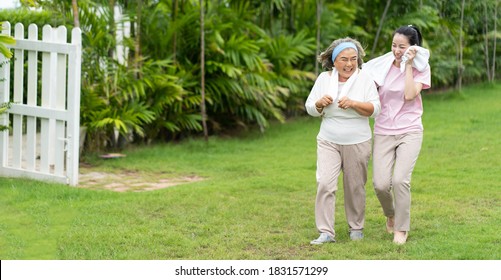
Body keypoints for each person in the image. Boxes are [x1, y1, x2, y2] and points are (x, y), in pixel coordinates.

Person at [305, 38, 381, 244]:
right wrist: (320, 104)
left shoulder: (364, 79)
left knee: (355, 186)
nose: (349, 64)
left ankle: (356, 228)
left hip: (357, 141)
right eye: (344, 59)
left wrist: (355, 104)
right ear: (333, 61)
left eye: (353, 59)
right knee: (325, 184)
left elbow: (375, 109)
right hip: (328, 139)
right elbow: (310, 107)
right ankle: (326, 232)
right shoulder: (324, 79)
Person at [362, 25, 431, 244]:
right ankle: (391, 215)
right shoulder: (380, 67)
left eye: (402, 46)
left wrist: (408, 65)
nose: (396, 50)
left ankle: (401, 228)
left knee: (400, 180)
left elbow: (410, 94)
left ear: (413, 48)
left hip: (409, 129)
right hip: (383, 130)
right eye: (394, 45)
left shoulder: (422, 69)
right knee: (381, 184)